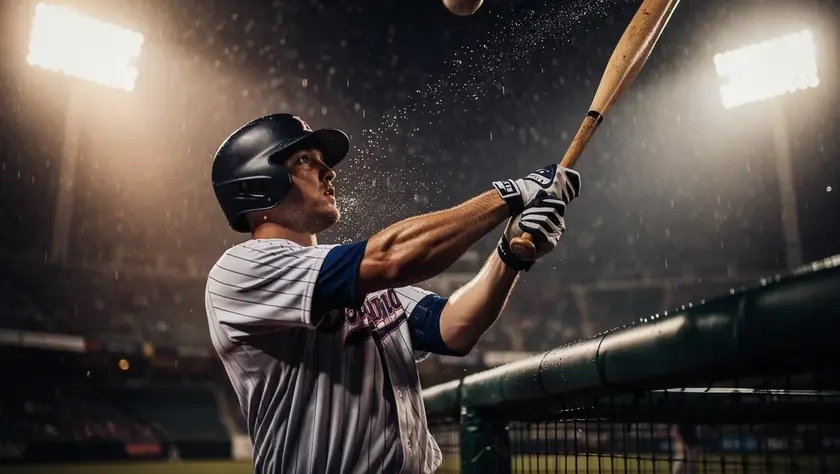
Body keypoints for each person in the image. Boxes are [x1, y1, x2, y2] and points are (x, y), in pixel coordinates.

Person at [205, 113, 581, 474]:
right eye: (305, 160)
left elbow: (452, 327)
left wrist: (509, 254)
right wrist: (510, 196)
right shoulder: (240, 270)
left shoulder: (355, 280)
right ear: (259, 180)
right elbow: (393, 258)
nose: (328, 171)